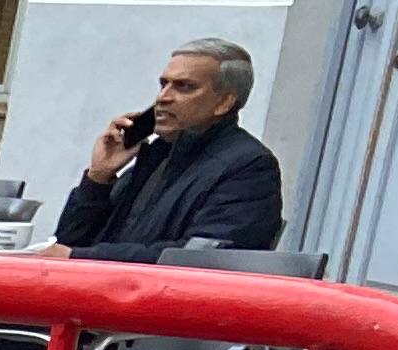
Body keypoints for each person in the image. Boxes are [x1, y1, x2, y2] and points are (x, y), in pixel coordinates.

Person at [42, 39, 282, 263]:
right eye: (163, 84)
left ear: (224, 102)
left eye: (184, 87)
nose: (163, 98)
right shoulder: (156, 155)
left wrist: (82, 256)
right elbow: (69, 241)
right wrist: (99, 178)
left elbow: (201, 258)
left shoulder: (249, 166)